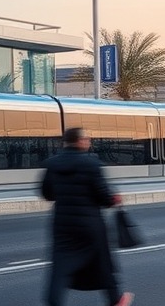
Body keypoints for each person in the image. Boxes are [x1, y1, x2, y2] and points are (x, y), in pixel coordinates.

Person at [40, 127, 133, 306]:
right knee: (103, 264)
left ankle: (54, 301)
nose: (89, 143)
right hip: (89, 225)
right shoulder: (92, 164)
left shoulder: (52, 164)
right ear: (80, 141)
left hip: (63, 225)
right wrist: (114, 199)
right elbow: (104, 197)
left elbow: (47, 194)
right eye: (88, 139)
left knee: (60, 268)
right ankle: (115, 300)